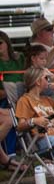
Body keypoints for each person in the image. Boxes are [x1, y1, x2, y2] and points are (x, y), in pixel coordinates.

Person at [0, 30, 22, 169]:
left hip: (23, 96)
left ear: (7, 43)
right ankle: (9, 155)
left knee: (12, 116)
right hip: (6, 99)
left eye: (0, 43)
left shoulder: (19, 59)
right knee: (11, 117)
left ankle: (7, 159)